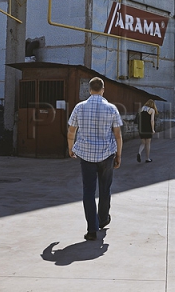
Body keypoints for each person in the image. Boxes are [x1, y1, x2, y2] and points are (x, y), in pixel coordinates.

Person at [67, 77, 123, 241]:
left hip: (86, 155)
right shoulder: (112, 108)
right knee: (105, 189)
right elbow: (118, 135)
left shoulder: (79, 107)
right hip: (107, 155)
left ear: (89, 90)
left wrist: (71, 148)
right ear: (103, 90)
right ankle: (103, 219)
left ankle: (92, 229)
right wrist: (118, 155)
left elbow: (71, 131)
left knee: (88, 191)